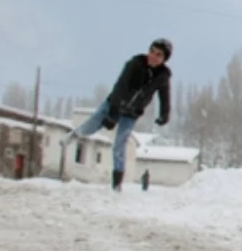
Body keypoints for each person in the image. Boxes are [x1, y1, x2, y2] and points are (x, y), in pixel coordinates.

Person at [65, 39, 173, 191]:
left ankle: (116, 185)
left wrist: (164, 115)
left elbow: (164, 96)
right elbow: (120, 86)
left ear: (164, 59)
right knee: (92, 126)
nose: (153, 56)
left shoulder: (163, 76)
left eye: (158, 55)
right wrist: (113, 113)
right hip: (114, 104)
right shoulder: (135, 64)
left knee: (120, 144)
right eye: (152, 51)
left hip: (132, 113)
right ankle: (74, 135)